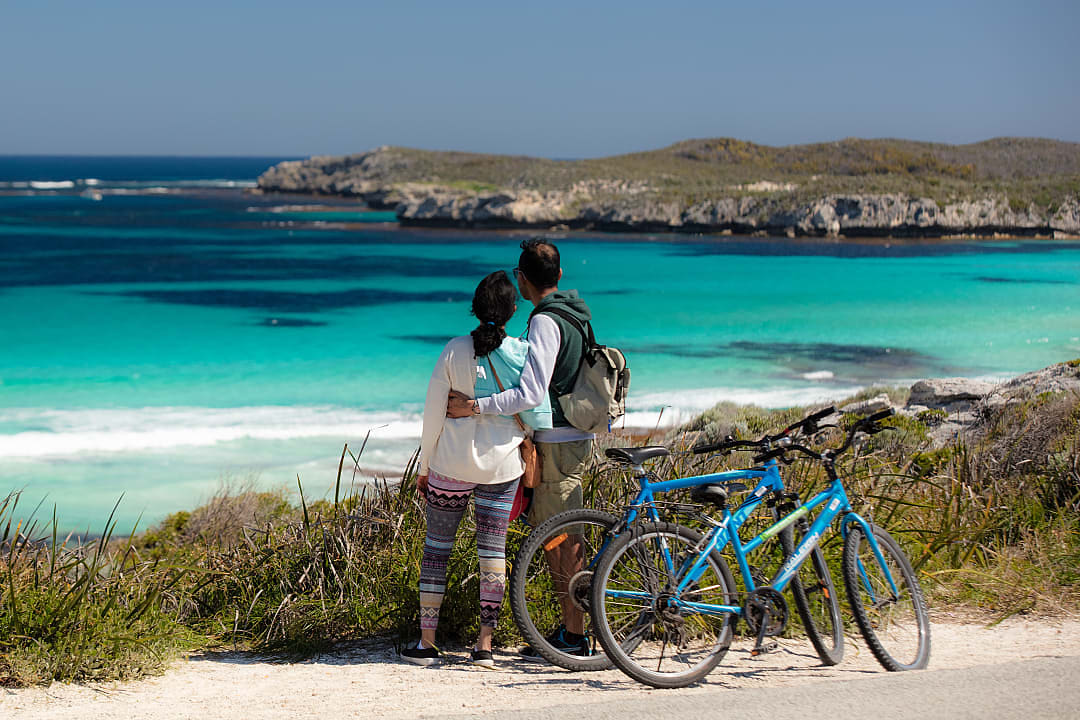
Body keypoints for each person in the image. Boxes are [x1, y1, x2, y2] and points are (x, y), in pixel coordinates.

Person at [447, 237, 595, 658]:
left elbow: (531, 393)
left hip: (559, 438)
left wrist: (476, 406)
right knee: (561, 533)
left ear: (521, 279)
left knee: (560, 537)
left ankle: (575, 635)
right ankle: (572, 630)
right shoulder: (575, 314)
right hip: (575, 434)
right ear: (560, 274)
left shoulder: (545, 322)